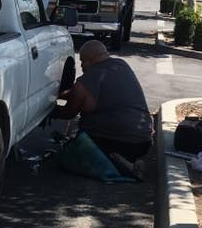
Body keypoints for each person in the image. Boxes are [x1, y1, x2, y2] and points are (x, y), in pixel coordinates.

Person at [52, 39, 153, 174]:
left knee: (72, 151)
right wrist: (61, 95)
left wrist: (49, 110)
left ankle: (115, 161)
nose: (81, 66)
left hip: (115, 141)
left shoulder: (84, 82)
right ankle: (126, 160)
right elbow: (83, 93)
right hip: (143, 142)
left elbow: (69, 112)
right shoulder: (122, 66)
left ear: (91, 60)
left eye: (82, 61)